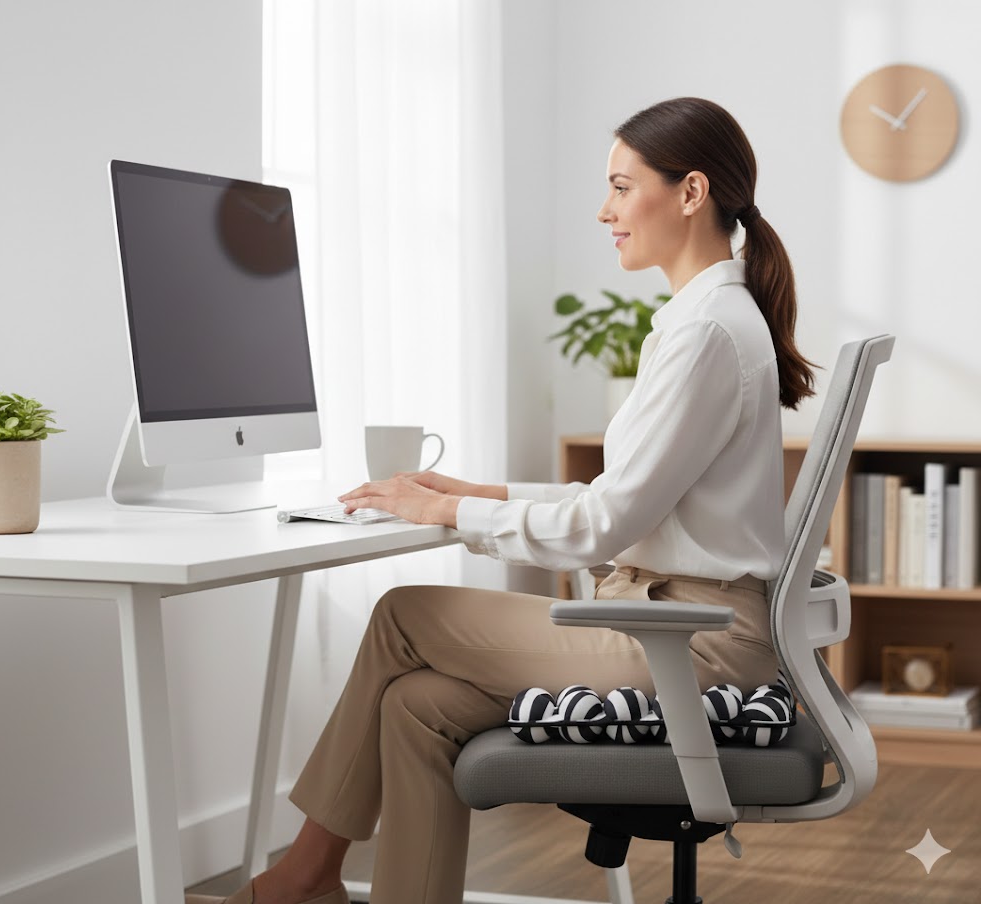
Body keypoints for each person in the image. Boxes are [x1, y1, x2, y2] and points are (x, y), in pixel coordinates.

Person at [186, 96, 816, 904]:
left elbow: (602, 527)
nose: (605, 211)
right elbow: (626, 498)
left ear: (691, 193)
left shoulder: (708, 333)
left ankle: (303, 876)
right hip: (677, 625)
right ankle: (346, 886)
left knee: (403, 616)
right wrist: (476, 491)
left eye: (623, 188)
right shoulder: (707, 320)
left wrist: (445, 514)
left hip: (691, 646)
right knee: (417, 705)